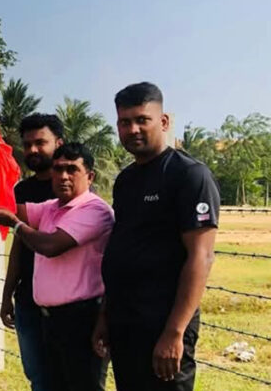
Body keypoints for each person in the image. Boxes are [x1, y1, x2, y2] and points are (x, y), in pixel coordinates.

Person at [94, 83, 219, 390]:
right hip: (124, 322)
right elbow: (122, 249)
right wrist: (106, 315)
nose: (133, 129)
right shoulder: (126, 180)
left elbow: (201, 256)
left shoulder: (188, 175)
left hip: (164, 323)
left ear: (163, 122)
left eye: (142, 120)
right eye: (125, 122)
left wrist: (174, 332)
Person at [0, 143, 114, 391]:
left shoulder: (95, 210)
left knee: (82, 385)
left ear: (90, 177)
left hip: (82, 319)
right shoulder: (52, 207)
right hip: (52, 320)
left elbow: (50, 246)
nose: (63, 176)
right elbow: (10, 208)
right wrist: (0, 164)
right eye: (58, 169)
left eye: (72, 169)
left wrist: (16, 225)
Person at [0, 113, 64, 391]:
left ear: (59, 143)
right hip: (28, 300)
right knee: (37, 377)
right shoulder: (23, 190)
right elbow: (19, 244)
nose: (33, 150)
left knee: (71, 377)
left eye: (41, 142)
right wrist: (7, 296)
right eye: (27, 145)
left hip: (67, 304)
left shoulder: (72, 187)